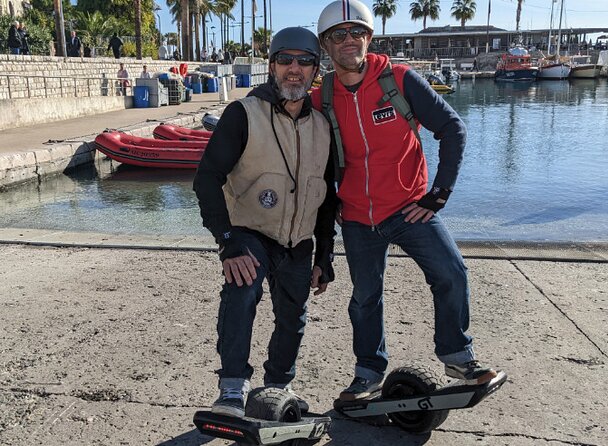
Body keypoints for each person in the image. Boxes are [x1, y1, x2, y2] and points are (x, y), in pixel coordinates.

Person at [310, 0, 498, 402]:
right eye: (338, 34)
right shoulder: (321, 97)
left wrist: (439, 195)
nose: (349, 40)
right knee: (364, 298)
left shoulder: (398, 80)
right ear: (326, 45)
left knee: (451, 273)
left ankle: (457, 355)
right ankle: (367, 373)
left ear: (369, 37)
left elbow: (452, 128)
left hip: (409, 207)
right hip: (358, 217)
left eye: (356, 32)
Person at [192, 26, 336, 418]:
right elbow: (207, 178)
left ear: (315, 70)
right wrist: (228, 243)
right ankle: (232, 388)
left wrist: (326, 254)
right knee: (241, 291)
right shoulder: (243, 113)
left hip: (299, 240)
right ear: (272, 66)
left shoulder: (323, 127)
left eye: (304, 61)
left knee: (294, 315)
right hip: (249, 231)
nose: (295, 69)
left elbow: (328, 198)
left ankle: (276, 387)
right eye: (285, 60)